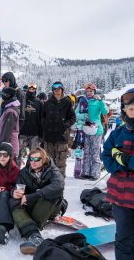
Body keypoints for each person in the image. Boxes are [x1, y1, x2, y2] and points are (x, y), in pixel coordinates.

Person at [10, 147, 65, 255]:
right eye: (31, 159)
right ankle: (34, 236)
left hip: (51, 207)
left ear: (44, 159)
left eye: (37, 159)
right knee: (13, 200)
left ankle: (30, 226)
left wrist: (31, 197)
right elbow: (16, 186)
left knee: (49, 195)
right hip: (33, 206)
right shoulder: (24, 172)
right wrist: (14, 192)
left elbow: (58, 186)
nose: (33, 162)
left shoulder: (53, 170)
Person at [102, 88, 134, 260]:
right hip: (120, 197)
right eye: (132, 110)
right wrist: (119, 165)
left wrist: (127, 160)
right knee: (123, 238)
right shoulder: (117, 133)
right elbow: (106, 155)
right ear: (125, 111)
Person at [41, 81, 76, 177]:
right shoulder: (48, 103)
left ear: (62, 90)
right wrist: (45, 125)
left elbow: (73, 117)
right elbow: (42, 117)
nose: (57, 91)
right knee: (48, 162)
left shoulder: (67, 101)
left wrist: (65, 125)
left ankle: (59, 183)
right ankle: (49, 182)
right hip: (49, 138)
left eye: (58, 89)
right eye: (55, 90)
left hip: (62, 137)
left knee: (61, 163)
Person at [75, 83, 108, 180]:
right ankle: (85, 173)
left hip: (96, 130)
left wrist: (101, 100)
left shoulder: (98, 101)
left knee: (95, 152)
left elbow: (105, 112)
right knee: (86, 152)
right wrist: (83, 116)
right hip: (85, 129)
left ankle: (95, 173)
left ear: (94, 92)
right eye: (88, 91)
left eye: (91, 91)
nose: (89, 93)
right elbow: (76, 113)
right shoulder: (82, 101)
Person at [18, 83, 42, 167]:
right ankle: (16, 173)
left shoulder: (39, 103)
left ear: (35, 90)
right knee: (18, 154)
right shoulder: (22, 101)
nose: (31, 90)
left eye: (33, 89)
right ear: (28, 89)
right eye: (30, 88)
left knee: (33, 156)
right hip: (22, 132)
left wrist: (41, 134)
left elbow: (41, 119)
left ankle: (31, 172)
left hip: (34, 133)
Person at [0, 87, 20, 160]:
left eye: (3, 95)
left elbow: (6, 132)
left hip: (8, 149)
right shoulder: (8, 109)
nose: (1, 97)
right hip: (6, 148)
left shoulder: (10, 111)